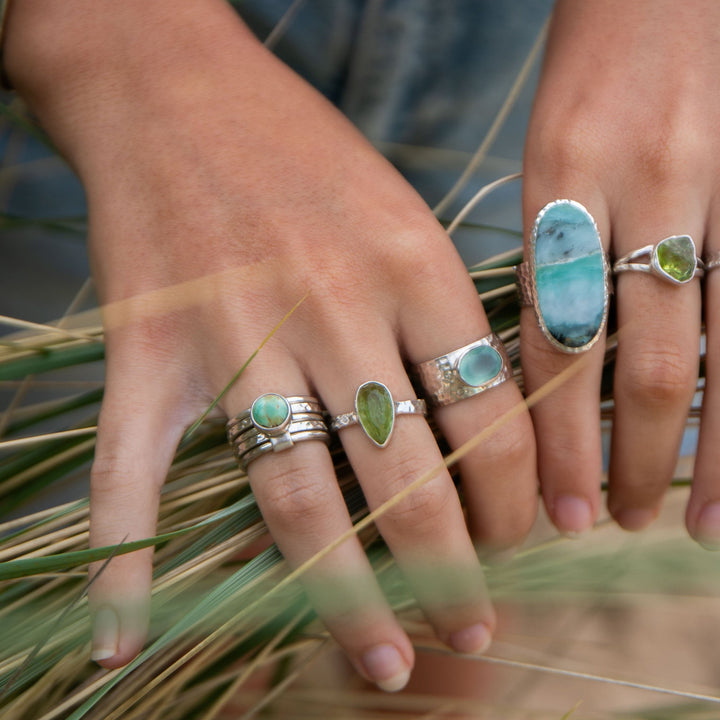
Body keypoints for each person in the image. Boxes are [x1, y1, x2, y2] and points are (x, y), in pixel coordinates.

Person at [2, 0, 717, 694]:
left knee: (456, 516)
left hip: (532, 53)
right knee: (176, 590)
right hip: (97, 119)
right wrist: (110, 41)